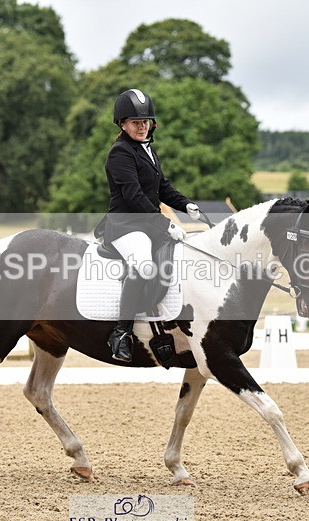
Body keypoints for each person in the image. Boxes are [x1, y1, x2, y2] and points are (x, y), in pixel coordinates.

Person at [98, 89, 201, 362]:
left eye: (145, 122)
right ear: (122, 124)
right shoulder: (119, 153)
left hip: (148, 224)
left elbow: (162, 187)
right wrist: (165, 224)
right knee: (144, 265)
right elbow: (134, 196)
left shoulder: (148, 149)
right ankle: (121, 333)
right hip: (126, 226)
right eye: (135, 122)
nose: (141, 127)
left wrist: (187, 205)